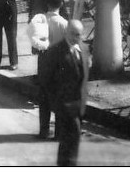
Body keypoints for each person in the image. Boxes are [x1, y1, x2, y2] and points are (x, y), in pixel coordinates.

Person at [38, 20, 91, 166]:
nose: (76, 37)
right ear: (66, 32)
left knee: (69, 139)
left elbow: (84, 75)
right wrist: (55, 102)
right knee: (72, 135)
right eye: (73, 34)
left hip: (79, 102)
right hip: (63, 103)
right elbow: (46, 79)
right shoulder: (55, 51)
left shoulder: (84, 49)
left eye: (79, 35)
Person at [28, 0, 69, 140]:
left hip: (44, 60)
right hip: (60, 63)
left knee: (44, 96)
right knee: (59, 98)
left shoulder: (39, 21)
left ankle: (43, 131)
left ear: (47, 3)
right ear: (61, 4)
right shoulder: (64, 23)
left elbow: (35, 45)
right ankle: (58, 133)